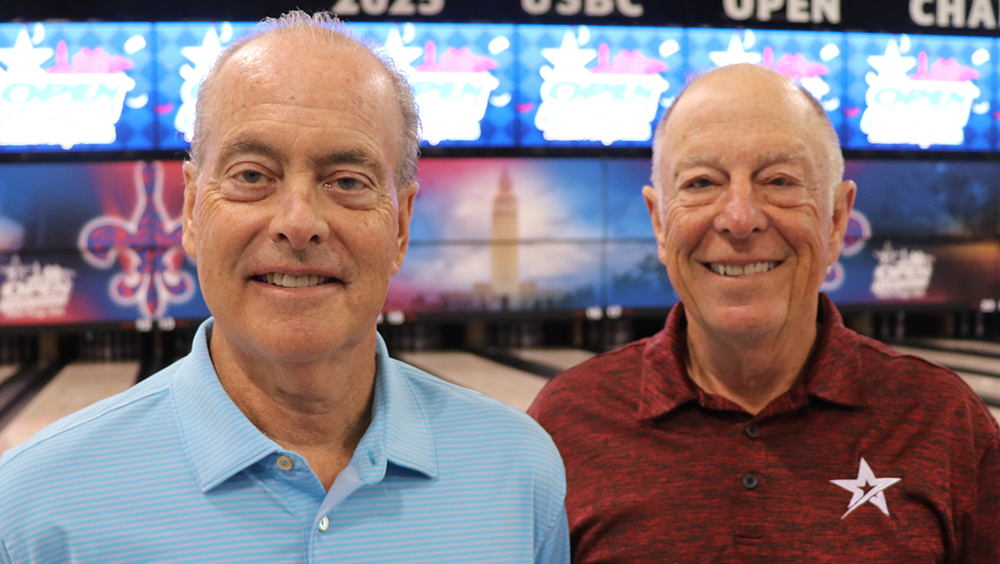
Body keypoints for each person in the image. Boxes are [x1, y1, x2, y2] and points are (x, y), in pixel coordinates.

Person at [0, 12, 569, 564]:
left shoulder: (521, 475)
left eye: (347, 181)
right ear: (193, 210)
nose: (298, 222)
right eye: (252, 175)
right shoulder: (30, 510)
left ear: (400, 226)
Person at [528, 64, 999, 562]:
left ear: (837, 219)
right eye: (701, 182)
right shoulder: (567, 422)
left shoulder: (944, 422)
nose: (739, 219)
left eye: (779, 180)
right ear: (659, 223)